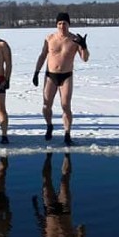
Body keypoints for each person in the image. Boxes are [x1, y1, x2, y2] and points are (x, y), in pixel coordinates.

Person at [32, 12, 90, 146]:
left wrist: (84, 46)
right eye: (59, 23)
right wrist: (36, 72)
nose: (62, 26)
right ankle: (49, 125)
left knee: (66, 106)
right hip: (50, 75)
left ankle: (67, 134)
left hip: (66, 76)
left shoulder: (75, 39)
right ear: (56, 25)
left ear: (68, 24)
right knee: (46, 105)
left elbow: (85, 58)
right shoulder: (49, 38)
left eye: (64, 23)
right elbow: (42, 56)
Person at [33, 153, 85, 237]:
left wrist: (36, 209)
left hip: (50, 211)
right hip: (65, 210)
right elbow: (81, 227)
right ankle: (67, 155)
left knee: (47, 181)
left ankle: (48, 156)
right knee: (64, 181)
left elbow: (42, 226)